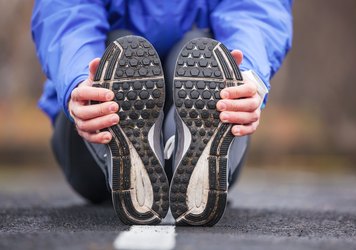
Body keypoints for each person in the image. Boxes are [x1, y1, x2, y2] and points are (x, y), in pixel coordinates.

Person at [31, 0, 293, 226]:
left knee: (205, 53)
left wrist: (248, 76)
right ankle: (188, 152)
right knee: (117, 55)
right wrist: (81, 83)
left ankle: (149, 155)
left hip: (86, 162)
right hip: (92, 111)